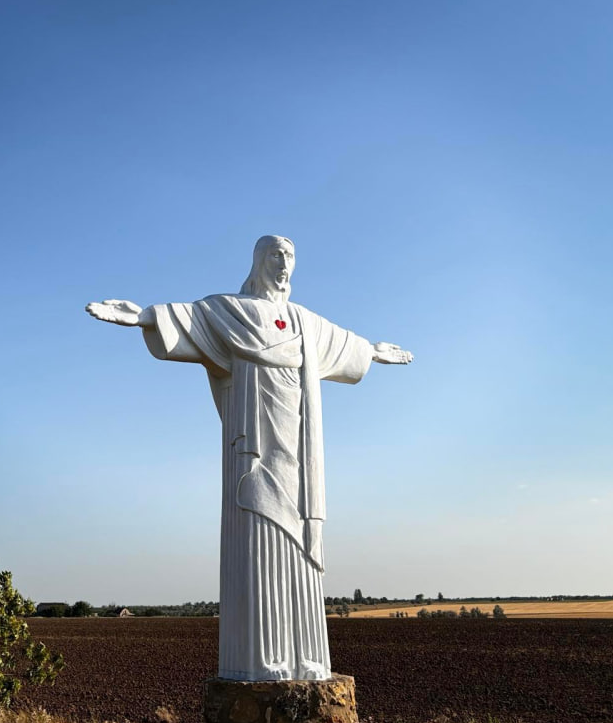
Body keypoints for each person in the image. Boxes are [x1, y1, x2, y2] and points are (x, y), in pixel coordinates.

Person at [86, 235, 411, 681]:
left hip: (300, 456)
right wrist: (143, 316)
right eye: (275, 254)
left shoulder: (304, 322)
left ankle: (307, 659)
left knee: (299, 551)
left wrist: (372, 351)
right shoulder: (233, 310)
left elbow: (343, 346)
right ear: (259, 260)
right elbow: (189, 319)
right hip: (254, 451)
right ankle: (262, 660)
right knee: (260, 544)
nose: (283, 262)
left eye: (290, 255)